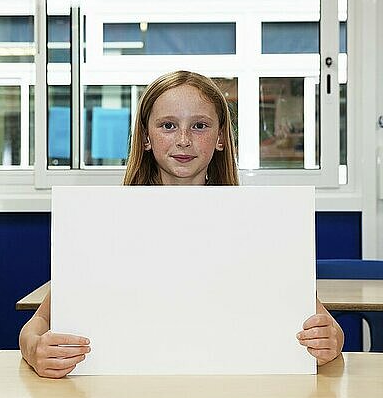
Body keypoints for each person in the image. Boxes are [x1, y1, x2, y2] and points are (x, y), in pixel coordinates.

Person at [19, 70, 344, 377]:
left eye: (200, 126)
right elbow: (36, 325)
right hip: (127, 394)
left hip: (229, 394)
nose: (184, 139)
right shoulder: (108, 222)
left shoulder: (256, 223)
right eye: (168, 126)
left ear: (220, 138)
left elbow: (329, 328)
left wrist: (330, 340)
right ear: (146, 138)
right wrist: (36, 350)